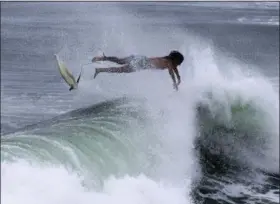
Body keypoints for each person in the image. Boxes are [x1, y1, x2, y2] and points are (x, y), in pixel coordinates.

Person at [92, 50, 184, 90]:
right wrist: (174, 83)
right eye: (179, 62)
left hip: (140, 58)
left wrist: (179, 78)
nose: (179, 64)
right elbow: (171, 72)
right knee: (120, 69)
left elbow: (175, 70)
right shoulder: (169, 63)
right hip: (141, 64)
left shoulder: (169, 62)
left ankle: (102, 58)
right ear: (175, 59)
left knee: (119, 61)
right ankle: (100, 70)